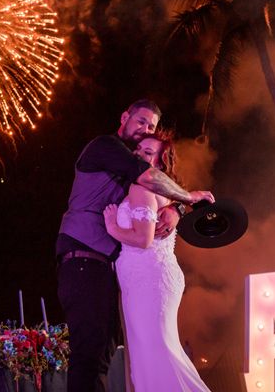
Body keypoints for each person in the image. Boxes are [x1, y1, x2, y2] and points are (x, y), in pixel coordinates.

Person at [56, 99, 213, 392]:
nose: (145, 130)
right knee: (92, 351)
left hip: (111, 269)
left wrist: (176, 210)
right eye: (141, 121)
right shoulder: (106, 147)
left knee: (106, 349)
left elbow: (153, 198)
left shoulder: (135, 176)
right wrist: (187, 199)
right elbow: (150, 180)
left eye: (151, 126)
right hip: (83, 258)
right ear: (124, 116)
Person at [103, 130, 212, 392]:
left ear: (159, 163)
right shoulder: (161, 191)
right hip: (152, 280)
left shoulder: (140, 186)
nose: (139, 154)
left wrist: (112, 227)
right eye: (138, 149)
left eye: (148, 152)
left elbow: (143, 239)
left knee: (156, 357)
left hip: (147, 282)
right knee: (157, 354)